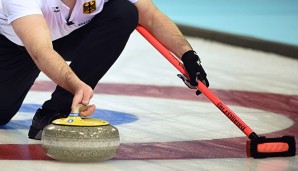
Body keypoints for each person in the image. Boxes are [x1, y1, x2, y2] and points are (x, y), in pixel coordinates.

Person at [0, 0, 209, 140]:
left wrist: (188, 55)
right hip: (15, 44)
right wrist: (76, 84)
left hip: (67, 36)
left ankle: (55, 113)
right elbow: (40, 50)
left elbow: (151, 16)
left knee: (124, 11)